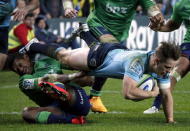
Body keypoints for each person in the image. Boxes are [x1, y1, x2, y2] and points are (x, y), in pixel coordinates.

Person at [19, 36, 181, 123]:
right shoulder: (137, 63)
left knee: (84, 78)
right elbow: (128, 93)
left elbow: (166, 95)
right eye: (168, 68)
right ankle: (34, 45)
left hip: (113, 53)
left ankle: (85, 34)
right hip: (100, 57)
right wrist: (152, 94)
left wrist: (170, 120)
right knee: (64, 58)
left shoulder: (161, 67)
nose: (170, 71)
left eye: (172, 68)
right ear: (156, 61)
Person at [62, 0, 165, 113]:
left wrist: (156, 15)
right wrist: (67, 7)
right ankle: (84, 34)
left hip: (120, 34)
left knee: (93, 73)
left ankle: (77, 89)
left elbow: (151, 6)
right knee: (110, 50)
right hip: (97, 24)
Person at [5, 52, 93, 124]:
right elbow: (44, 81)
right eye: (16, 69)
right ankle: (73, 120)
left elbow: (72, 64)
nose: (20, 69)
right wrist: (72, 76)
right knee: (27, 113)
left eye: (20, 64)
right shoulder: (24, 81)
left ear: (26, 57)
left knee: (79, 79)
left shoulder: (50, 61)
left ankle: (89, 97)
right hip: (57, 109)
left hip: (76, 98)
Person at [144, 0, 190, 114]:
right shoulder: (182, 5)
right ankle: (157, 105)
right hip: (189, 44)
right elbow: (172, 25)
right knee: (174, 73)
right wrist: (157, 27)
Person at [0, 0, 39, 70]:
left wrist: (25, 8)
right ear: (24, 20)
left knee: (3, 52)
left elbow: (35, 3)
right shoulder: (20, 28)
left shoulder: (31, 29)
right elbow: (25, 43)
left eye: (32, 20)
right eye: (29, 20)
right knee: (30, 48)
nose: (31, 22)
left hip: (3, 29)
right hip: (12, 51)